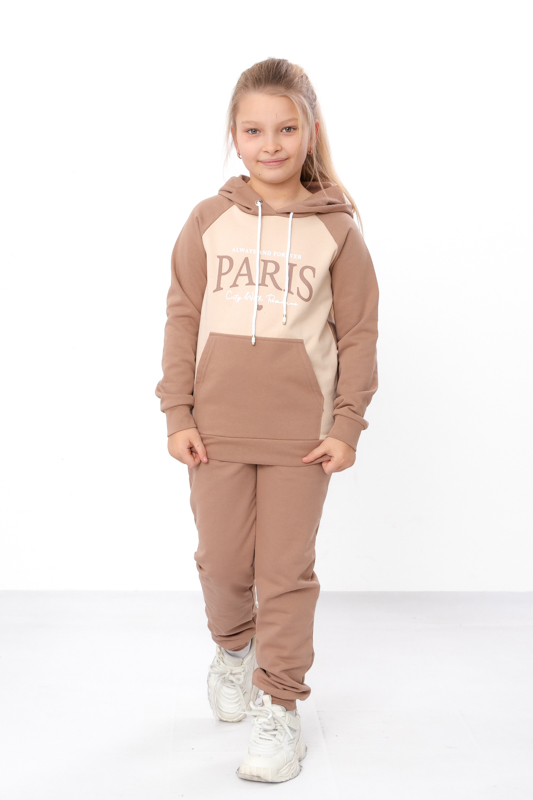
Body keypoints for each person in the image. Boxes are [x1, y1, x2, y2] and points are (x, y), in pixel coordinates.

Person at [155, 56, 379, 783]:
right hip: (215, 427)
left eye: (286, 128)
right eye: (253, 130)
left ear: (310, 132)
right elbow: (182, 317)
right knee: (222, 563)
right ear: (234, 134)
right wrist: (177, 410)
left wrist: (346, 424)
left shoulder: (337, 230)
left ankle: (279, 705)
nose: (270, 143)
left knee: (284, 573)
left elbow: (358, 336)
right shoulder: (208, 219)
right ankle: (233, 649)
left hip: (302, 436)